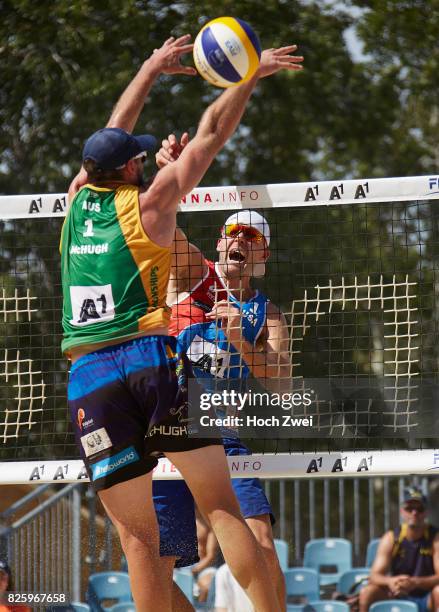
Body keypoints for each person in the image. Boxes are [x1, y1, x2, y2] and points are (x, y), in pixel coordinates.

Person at [64, 33, 303, 611]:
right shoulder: (153, 205)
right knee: (219, 505)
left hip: (89, 376)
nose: (147, 160)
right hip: (149, 360)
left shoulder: (74, 200)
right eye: (139, 158)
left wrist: (148, 68)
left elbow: (110, 136)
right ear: (127, 170)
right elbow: (211, 134)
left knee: (138, 541)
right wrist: (246, 74)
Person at [153, 133, 290, 610]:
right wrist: (169, 172)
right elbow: (165, 224)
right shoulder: (193, 276)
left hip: (223, 435)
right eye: (233, 232)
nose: (239, 240)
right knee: (155, 568)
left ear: (262, 256)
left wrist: (238, 339)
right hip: (167, 429)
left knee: (262, 548)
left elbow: (280, 382)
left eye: (251, 237)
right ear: (219, 242)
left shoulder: (266, 313)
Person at [359, 486, 439, 612]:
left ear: (426, 512)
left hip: (426, 597)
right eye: (409, 508)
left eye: (419, 508)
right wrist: (391, 581)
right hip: (396, 595)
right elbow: (374, 575)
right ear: (402, 511)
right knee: (367, 592)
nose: (414, 513)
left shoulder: (436, 538)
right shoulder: (391, 538)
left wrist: (415, 582)